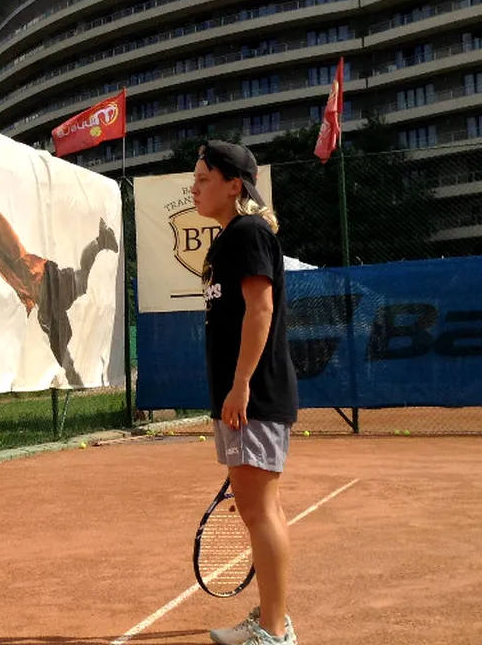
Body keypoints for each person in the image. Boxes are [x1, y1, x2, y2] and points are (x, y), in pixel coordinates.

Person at [190, 140, 299, 645]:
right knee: (257, 510)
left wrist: (240, 386)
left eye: (203, 178)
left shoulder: (249, 232)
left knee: (260, 511)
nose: (194, 187)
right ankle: (271, 620)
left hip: (252, 397)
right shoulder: (230, 238)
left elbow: (261, 310)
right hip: (241, 399)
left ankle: (274, 632)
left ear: (234, 185)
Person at [0, 140, 118, 388]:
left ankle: (75, 380)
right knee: (78, 289)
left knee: (63, 330)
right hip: (39, 281)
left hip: (42, 282)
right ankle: (100, 240)